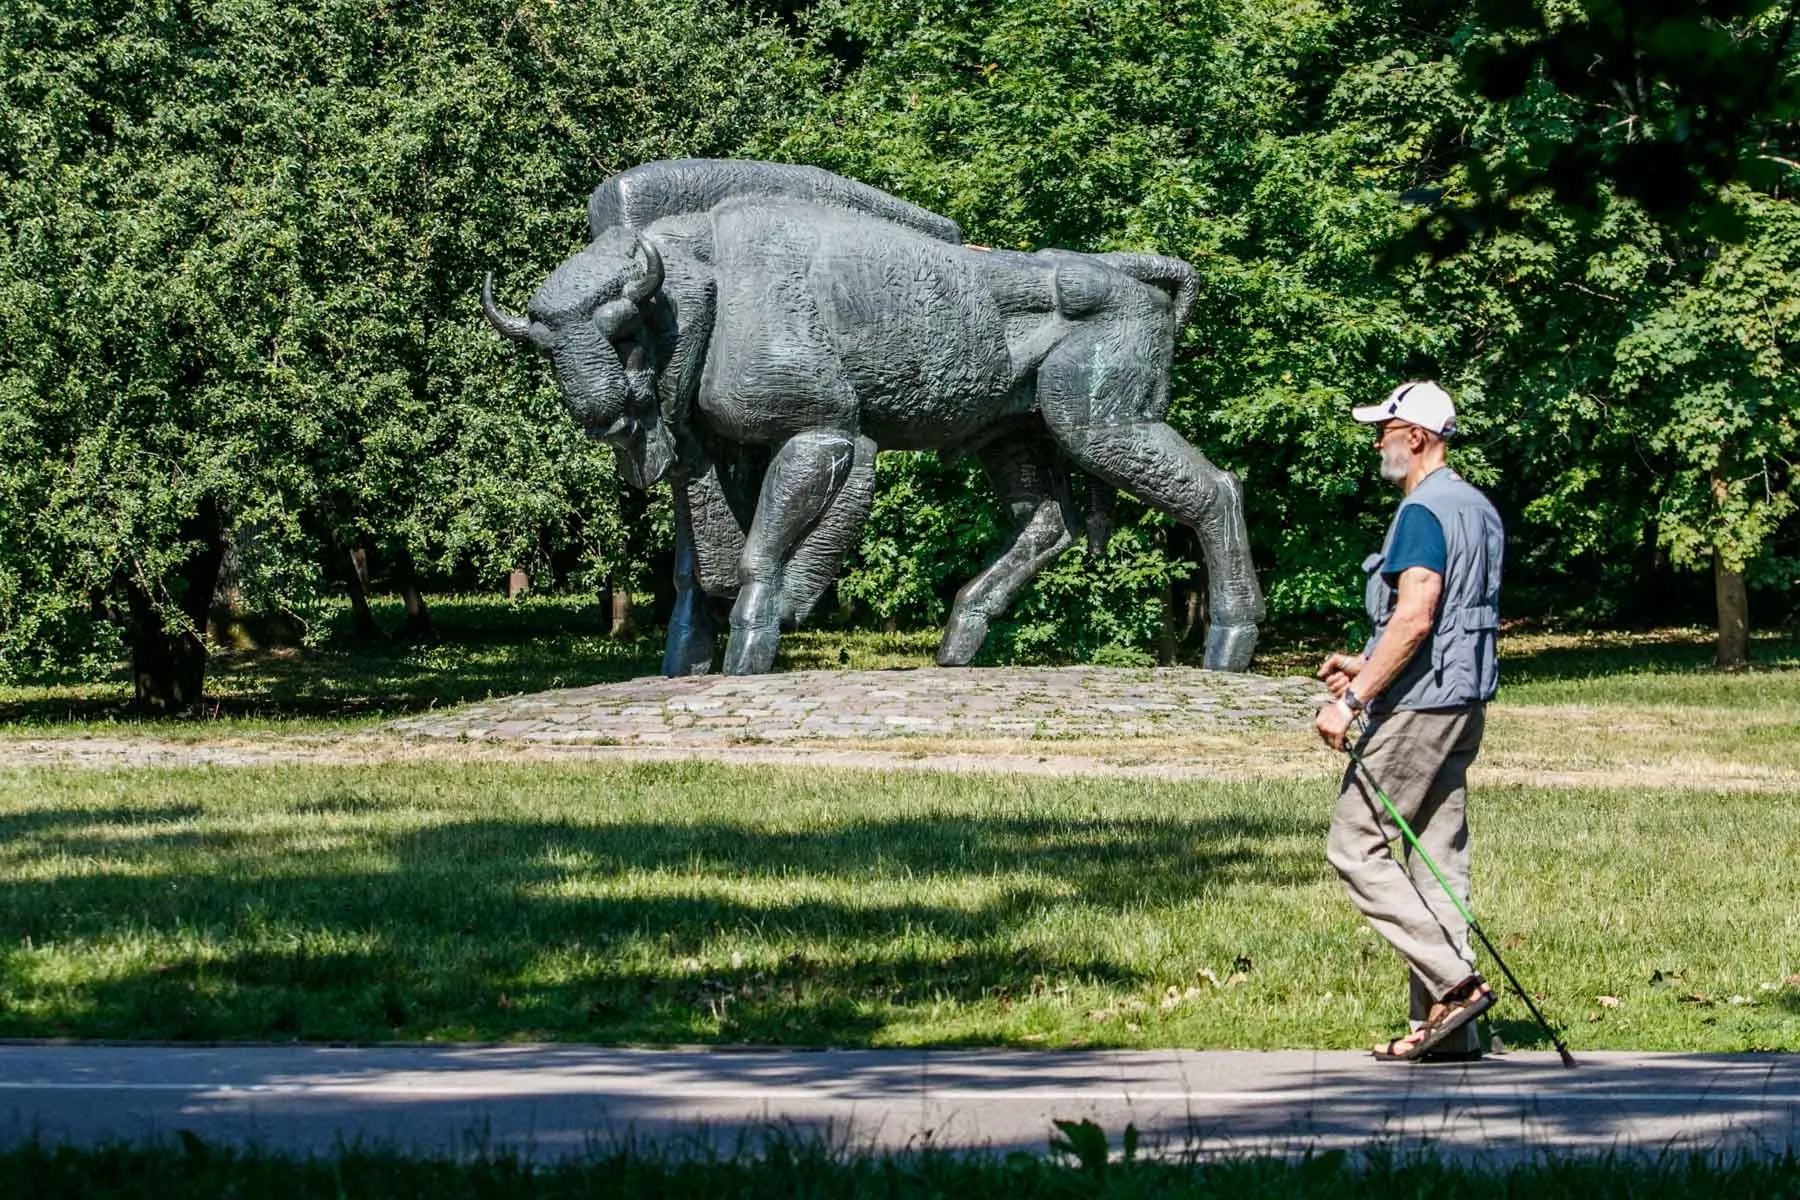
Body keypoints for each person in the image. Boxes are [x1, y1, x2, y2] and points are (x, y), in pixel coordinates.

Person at [1312, 380, 1504, 1062]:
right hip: (1464, 701)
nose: (1377, 442)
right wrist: (1363, 659)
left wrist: (1354, 697)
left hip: (1420, 707)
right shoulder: (1476, 508)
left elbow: (1418, 612)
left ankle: (1455, 985)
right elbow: (1445, 618)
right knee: (1438, 863)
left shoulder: (1421, 510)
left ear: (1415, 437)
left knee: (1353, 844)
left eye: (1385, 430)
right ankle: (1451, 1033)